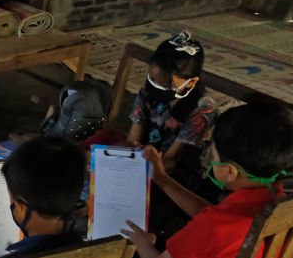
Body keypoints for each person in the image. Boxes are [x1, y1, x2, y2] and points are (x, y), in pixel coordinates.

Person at [117, 103, 293, 258]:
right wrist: (162, 179)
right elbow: (210, 216)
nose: (210, 160)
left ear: (230, 171)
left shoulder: (217, 224)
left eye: (213, 155)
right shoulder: (273, 197)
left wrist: (139, 240)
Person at [85, 32, 216, 190]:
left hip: (174, 172)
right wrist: (105, 160)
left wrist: (123, 171)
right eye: (153, 78)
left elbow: (171, 160)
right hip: (144, 157)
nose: (157, 86)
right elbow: (134, 141)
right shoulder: (150, 90)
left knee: (116, 186)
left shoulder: (202, 109)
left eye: (167, 84)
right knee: (95, 156)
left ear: (190, 82)